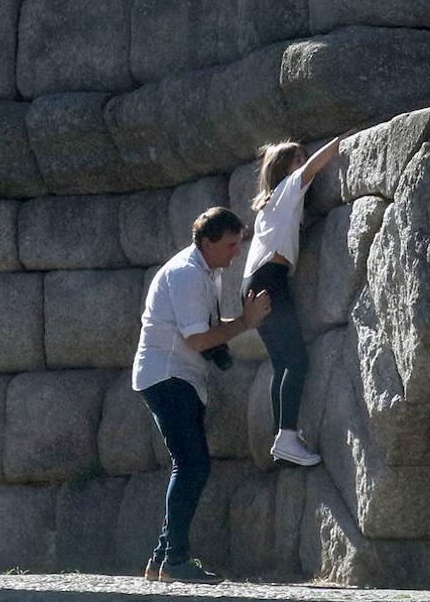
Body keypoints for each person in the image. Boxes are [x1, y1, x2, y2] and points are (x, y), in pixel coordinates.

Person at [132, 207, 271, 584]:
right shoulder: (187, 274)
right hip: (167, 376)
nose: (235, 253)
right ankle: (174, 560)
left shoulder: (206, 271)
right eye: (230, 245)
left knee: (190, 465)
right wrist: (244, 323)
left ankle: (162, 559)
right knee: (192, 466)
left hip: (178, 376)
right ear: (207, 242)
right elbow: (197, 338)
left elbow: (204, 329)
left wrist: (242, 322)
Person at [242, 134, 348, 466]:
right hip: (269, 281)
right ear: (284, 169)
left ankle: (282, 437)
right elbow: (316, 166)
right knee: (298, 361)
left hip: (255, 282)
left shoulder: (271, 204)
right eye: (297, 159)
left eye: (303, 158)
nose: (304, 164)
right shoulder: (288, 188)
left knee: (282, 363)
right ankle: (286, 436)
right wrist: (343, 140)